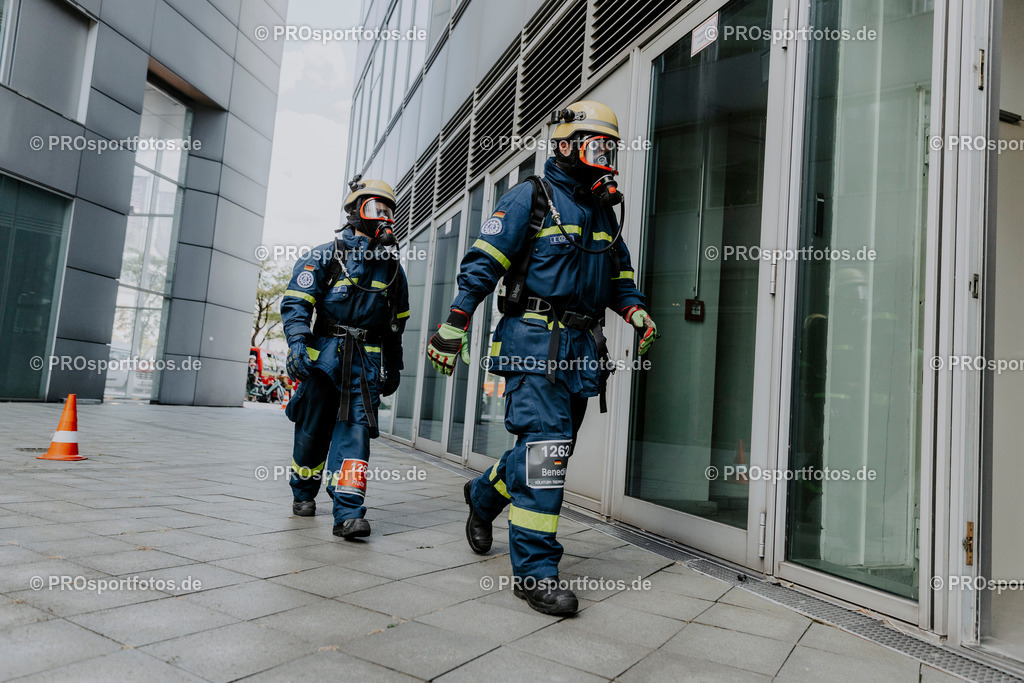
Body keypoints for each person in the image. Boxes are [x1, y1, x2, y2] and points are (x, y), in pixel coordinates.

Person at [426, 101, 658, 614]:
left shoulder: (602, 213)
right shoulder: (531, 198)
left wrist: (635, 310)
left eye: (610, 149)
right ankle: (535, 572)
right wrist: (454, 322)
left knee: (550, 452)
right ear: (565, 146)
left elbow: (619, 275)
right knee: (547, 454)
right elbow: (483, 263)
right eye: (596, 146)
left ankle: (484, 495)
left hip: (580, 351)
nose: (605, 158)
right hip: (532, 343)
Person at [281, 177, 410, 539]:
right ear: (355, 212)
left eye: (388, 211)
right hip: (322, 359)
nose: (383, 217)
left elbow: (395, 326)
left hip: (364, 366)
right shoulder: (327, 255)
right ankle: (303, 491)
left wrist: (394, 366)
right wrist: (296, 345)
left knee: (355, 436)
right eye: (375, 208)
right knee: (311, 433)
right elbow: (296, 305)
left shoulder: (394, 270)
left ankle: (349, 512)